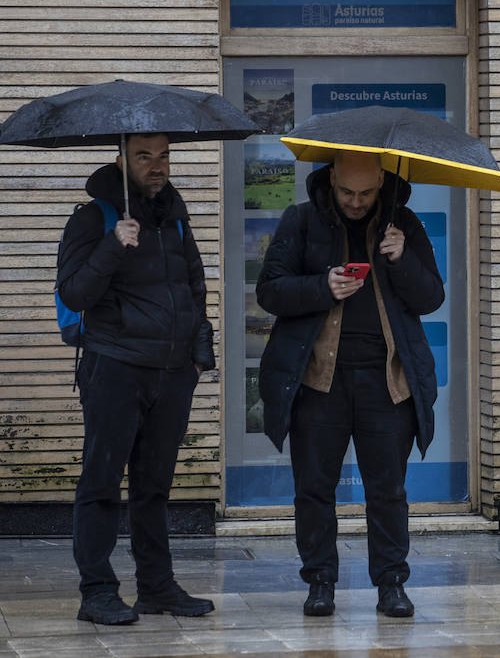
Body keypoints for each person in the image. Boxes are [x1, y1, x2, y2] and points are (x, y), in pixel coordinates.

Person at [256, 149, 444, 618]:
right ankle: (320, 582)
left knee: (388, 491)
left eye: (365, 193)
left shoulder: (405, 225)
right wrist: (323, 287)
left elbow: (431, 297)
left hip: (386, 380)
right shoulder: (300, 221)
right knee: (314, 488)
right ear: (331, 180)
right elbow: (270, 290)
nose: (355, 202)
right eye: (346, 192)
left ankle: (391, 586)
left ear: (381, 182)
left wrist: (401, 259)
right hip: (320, 378)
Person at [56, 133, 217, 625]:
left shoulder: (176, 218)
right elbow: (74, 293)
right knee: (101, 483)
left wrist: (199, 357)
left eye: (164, 155)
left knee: (154, 487)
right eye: (144, 156)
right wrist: (112, 245)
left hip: (171, 373)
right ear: (121, 159)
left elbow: (193, 287)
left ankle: (157, 588)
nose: (157, 165)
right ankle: (98, 591)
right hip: (114, 367)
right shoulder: (93, 217)